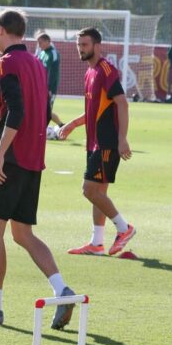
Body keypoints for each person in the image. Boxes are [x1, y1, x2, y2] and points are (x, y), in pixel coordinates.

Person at [0, 9, 77, 329]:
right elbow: (41, 112)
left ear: (1, 31)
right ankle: (63, 290)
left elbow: (17, 111)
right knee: (22, 233)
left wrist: (0, 153)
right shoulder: (36, 64)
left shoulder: (5, 63)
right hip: (32, 160)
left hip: (11, 159)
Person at [57, 27, 136, 256]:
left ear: (97, 46)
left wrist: (122, 139)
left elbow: (122, 103)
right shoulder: (89, 73)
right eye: (79, 45)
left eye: (85, 45)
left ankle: (124, 228)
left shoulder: (106, 70)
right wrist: (72, 124)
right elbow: (92, 111)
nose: (81, 49)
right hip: (94, 143)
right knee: (98, 193)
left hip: (107, 142)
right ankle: (97, 243)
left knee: (89, 190)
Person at [34, 33, 63, 126]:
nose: (39, 45)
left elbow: (51, 73)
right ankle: (61, 125)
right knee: (41, 110)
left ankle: (41, 132)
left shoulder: (53, 53)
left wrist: (49, 88)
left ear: (47, 41)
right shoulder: (42, 53)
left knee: (46, 111)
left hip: (49, 88)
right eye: (38, 43)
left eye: (40, 43)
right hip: (40, 86)